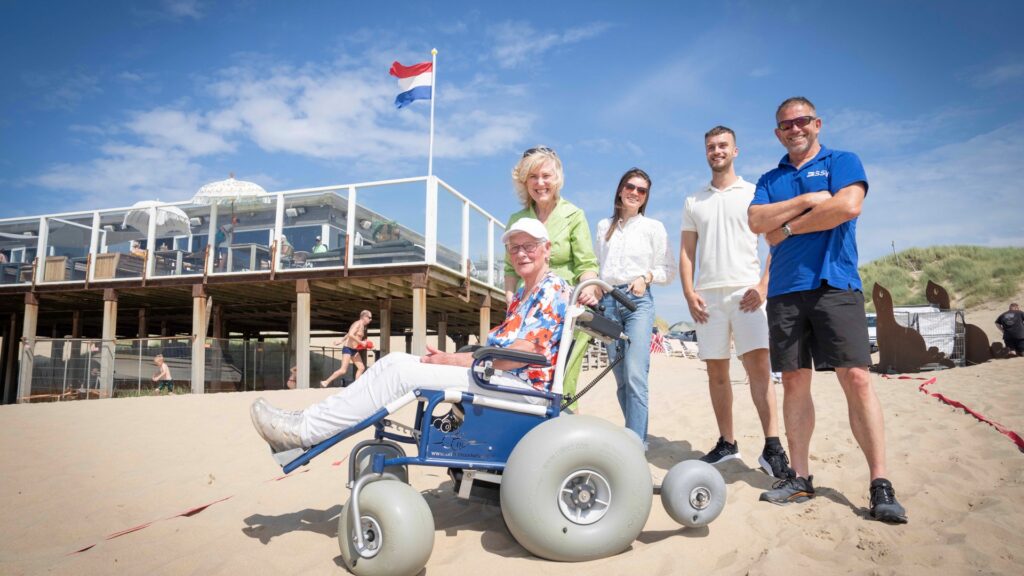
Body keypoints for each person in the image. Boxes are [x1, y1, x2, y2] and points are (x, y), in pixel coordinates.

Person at [251, 218, 570, 454]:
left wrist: (452, 359)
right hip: (499, 378)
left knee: (402, 372)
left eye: (530, 246)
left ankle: (305, 430)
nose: (522, 253)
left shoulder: (551, 288)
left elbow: (515, 355)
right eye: (515, 247)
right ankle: (307, 421)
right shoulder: (523, 295)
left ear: (546, 249)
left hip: (521, 388)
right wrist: (458, 360)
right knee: (394, 362)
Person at [747, 96, 907, 523]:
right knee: (795, 382)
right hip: (785, 290)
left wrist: (788, 227)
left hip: (836, 283)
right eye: (785, 125)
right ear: (777, 133)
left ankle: (880, 483)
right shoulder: (769, 177)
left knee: (856, 378)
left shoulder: (843, 160)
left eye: (801, 121)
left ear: (817, 123)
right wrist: (811, 200)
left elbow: (848, 206)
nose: (794, 129)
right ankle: (800, 477)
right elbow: (755, 222)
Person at [680, 126, 792, 480]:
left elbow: (777, 240)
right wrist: (688, 292)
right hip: (707, 297)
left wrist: (763, 285)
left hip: (747, 294)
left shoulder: (754, 193)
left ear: (735, 150)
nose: (717, 151)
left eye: (722, 145)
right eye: (711, 146)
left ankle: (772, 446)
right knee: (717, 373)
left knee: (759, 370)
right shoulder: (693, 201)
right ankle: (727, 443)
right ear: (706, 151)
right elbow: (686, 251)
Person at [504, 146, 599, 407]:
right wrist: (511, 304)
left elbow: (587, 264)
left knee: (563, 382)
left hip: (565, 309)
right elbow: (510, 269)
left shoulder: (574, 215)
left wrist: (589, 288)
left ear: (557, 178)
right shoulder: (517, 219)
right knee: (520, 374)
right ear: (525, 182)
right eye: (533, 177)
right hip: (528, 309)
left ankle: (562, 434)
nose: (540, 183)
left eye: (546, 176)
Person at [594, 167, 672, 445]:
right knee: (621, 379)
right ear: (620, 188)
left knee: (636, 374)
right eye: (631, 187)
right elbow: (597, 267)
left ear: (646, 196)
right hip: (608, 302)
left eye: (642, 190)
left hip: (638, 303)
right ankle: (633, 434)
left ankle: (637, 444)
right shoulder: (604, 226)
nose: (635, 193)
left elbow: (667, 269)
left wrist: (646, 277)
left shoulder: (654, 228)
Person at [320, 310, 374, 387]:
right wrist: (361, 342)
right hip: (348, 349)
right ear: (364, 317)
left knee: (361, 367)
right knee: (343, 370)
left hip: (354, 350)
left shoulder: (363, 326)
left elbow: (349, 334)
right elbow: (351, 334)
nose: (370, 320)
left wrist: (341, 341)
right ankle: (325, 382)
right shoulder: (357, 324)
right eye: (369, 317)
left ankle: (356, 386)